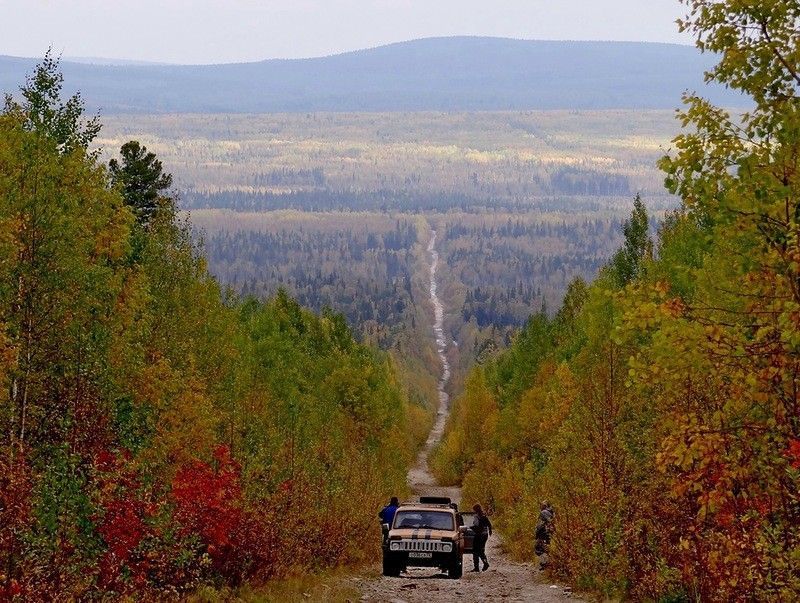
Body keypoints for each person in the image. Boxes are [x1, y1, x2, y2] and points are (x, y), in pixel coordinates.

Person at [471, 503, 493, 572]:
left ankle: (479, 566)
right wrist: (489, 531)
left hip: (478, 535)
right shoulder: (484, 516)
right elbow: (489, 525)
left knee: (475, 551)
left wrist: (471, 527)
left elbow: (476, 526)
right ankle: (483, 563)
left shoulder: (477, 517)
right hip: (484, 535)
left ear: (475, 510)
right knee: (481, 550)